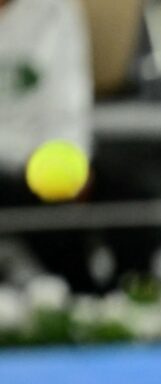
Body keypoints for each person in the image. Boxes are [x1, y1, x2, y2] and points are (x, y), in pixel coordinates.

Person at [0, 0, 94, 290]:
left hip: (39, 162)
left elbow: (69, 105)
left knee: (130, 197)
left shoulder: (58, 9)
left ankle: (86, 300)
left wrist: (72, 162)